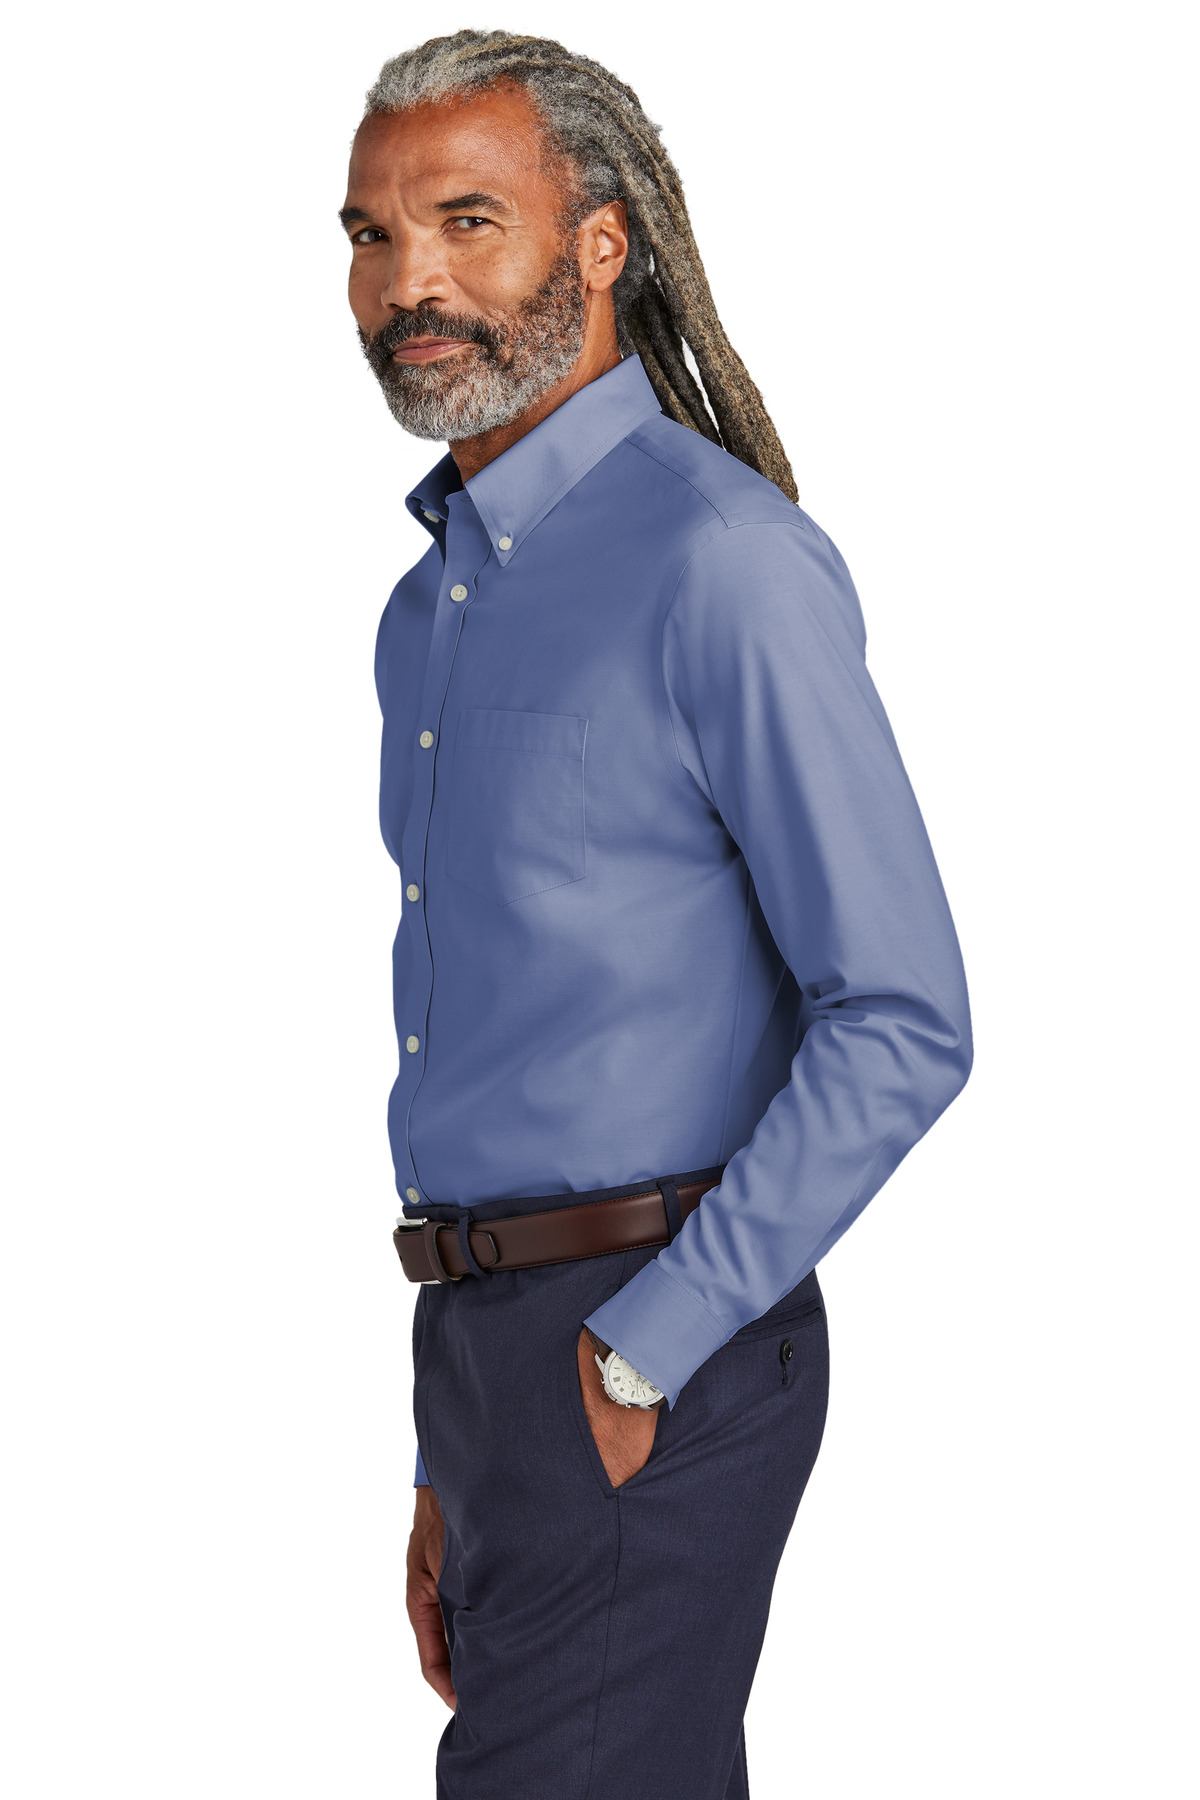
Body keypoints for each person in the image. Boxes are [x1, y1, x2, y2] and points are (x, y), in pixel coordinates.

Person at [342, 29, 971, 1799]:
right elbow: (495, 1049)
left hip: (655, 1327)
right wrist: (451, 1452)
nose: (409, 284)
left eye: (468, 221)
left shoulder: (722, 562)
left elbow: (905, 1017)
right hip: (488, 1347)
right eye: (374, 236)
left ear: (602, 243)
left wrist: (640, 1355)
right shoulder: (427, 610)